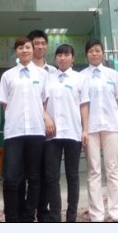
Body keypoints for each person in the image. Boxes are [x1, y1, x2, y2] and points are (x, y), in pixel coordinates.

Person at [0, 37, 54, 222]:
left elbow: (44, 102)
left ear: (33, 49)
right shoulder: (8, 76)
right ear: (16, 52)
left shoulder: (42, 74)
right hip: (14, 132)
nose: (25, 50)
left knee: (34, 177)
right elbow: (5, 104)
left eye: (28, 47)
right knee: (11, 177)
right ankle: (12, 218)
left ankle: (29, 217)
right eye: (20, 48)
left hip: (36, 131)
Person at [79, 39, 118, 222]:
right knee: (94, 170)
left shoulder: (112, 74)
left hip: (111, 126)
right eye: (90, 51)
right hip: (90, 128)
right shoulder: (81, 77)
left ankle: (116, 213)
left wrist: (110, 113)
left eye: (97, 50)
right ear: (86, 54)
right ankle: (97, 214)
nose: (94, 53)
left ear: (102, 53)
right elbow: (80, 103)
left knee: (113, 169)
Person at [41, 44, 89, 222]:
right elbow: (41, 103)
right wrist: (46, 118)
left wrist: (85, 130)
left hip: (73, 132)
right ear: (55, 59)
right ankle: (55, 217)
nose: (62, 58)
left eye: (66, 55)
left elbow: (84, 105)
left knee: (72, 175)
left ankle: (71, 217)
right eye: (59, 55)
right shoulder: (48, 78)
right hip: (52, 134)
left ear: (73, 58)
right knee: (52, 177)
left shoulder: (79, 78)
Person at [21, 29, 57, 222]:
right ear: (29, 46)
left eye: (43, 43)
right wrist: (44, 117)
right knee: (27, 174)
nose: (40, 47)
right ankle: (26, 213)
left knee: (45, 173)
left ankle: (43, 212)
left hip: (50, 131)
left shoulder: (53, 71)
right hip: (28, 130)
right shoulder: (20, 71)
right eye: (36, 43)